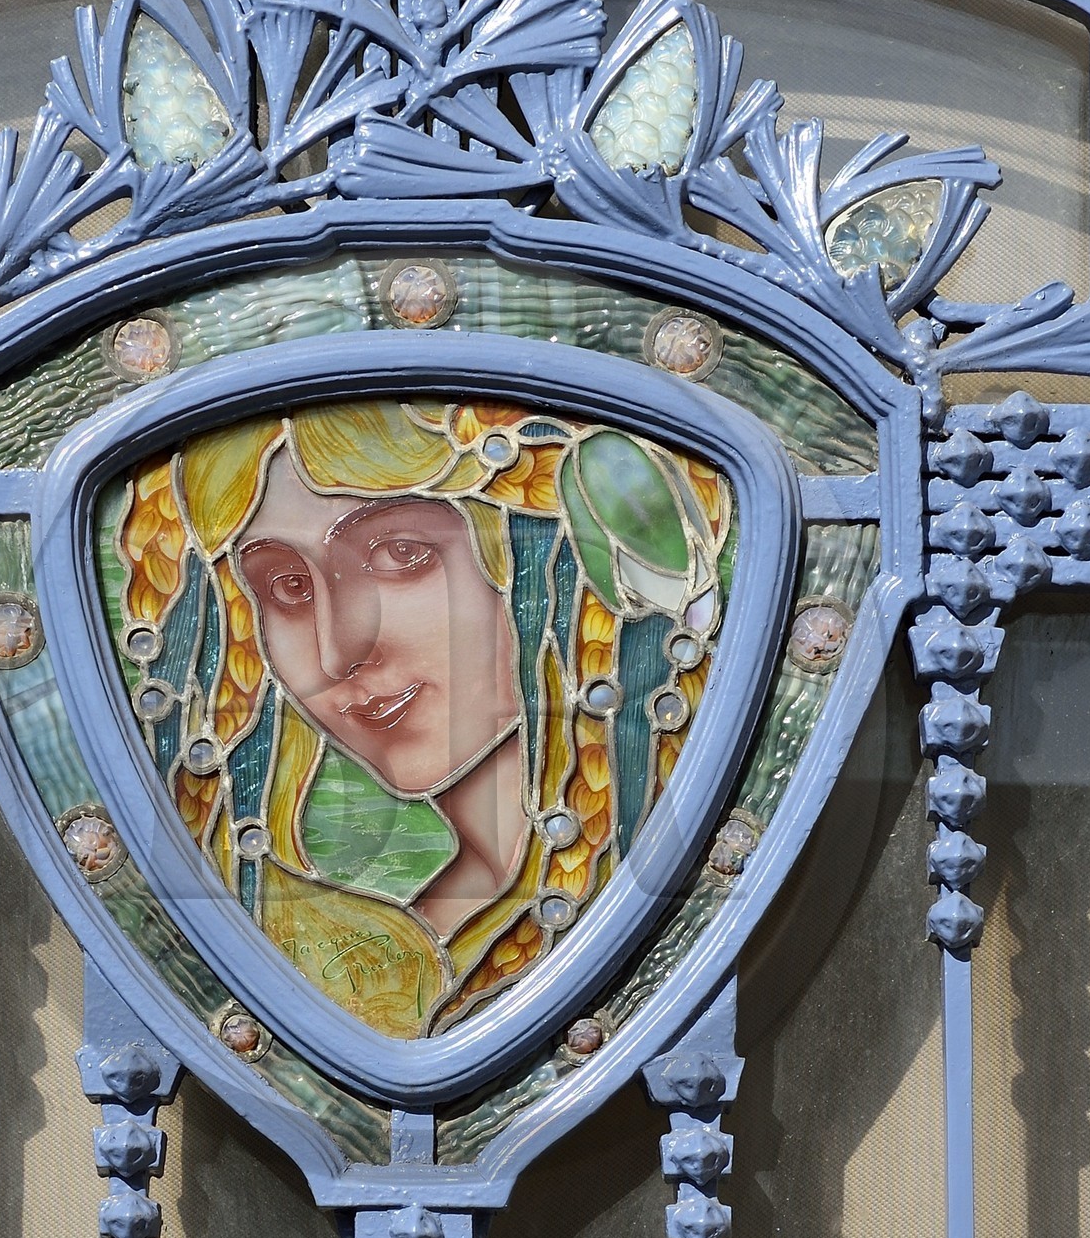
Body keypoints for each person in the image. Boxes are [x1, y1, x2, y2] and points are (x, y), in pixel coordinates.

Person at [111, 396, 730, 1038]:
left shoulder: (665, 885)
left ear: (545, 552)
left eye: (400, 555)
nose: (338, 649)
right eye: (288, 588)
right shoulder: (299, 943)